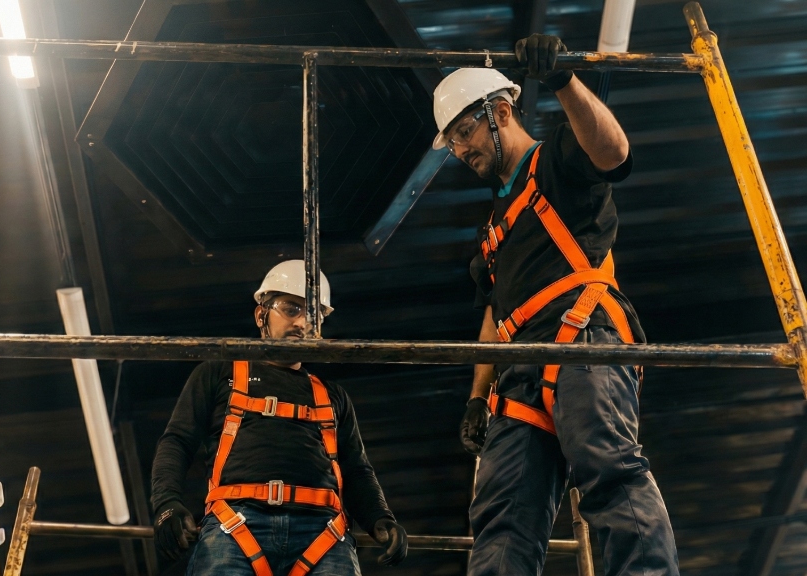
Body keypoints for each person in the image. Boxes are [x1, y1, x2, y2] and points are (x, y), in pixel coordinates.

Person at [434, 35, 680, 575]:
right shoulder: (493, 231)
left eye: (464, 133)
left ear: (500, 112)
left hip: (581, 340)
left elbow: (615, 153)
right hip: (517, 373)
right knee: (502, 520)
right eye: (450, 142)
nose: (459, 150)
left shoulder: (559, 161)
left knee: (608, 472)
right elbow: (495, 314)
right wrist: (478, 396)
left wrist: (563, 77)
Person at [150, 260, 408, 575]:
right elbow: (177, 441)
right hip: (236, 524)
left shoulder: (333, 397)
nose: (303, 323)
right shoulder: (219, 373)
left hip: (323, 532)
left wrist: (380, 518)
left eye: (314, 314)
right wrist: (166, 505)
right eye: (291, 309)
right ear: (261, 315)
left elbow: (356, 471)